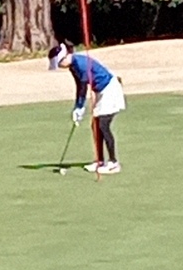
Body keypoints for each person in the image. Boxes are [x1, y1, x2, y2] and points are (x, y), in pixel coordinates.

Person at [48, 41, 126, 174]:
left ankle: (113, 163)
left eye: (59, 64)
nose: (60, 67)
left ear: (64, 58)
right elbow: (79, 86)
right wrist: (77, 107)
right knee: (95, 125)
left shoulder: (80, 64)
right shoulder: (73, 66)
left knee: (103, 125)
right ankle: (99, 161)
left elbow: (84, 87)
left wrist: (81, 108)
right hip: (101, 91)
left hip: (110, 89)